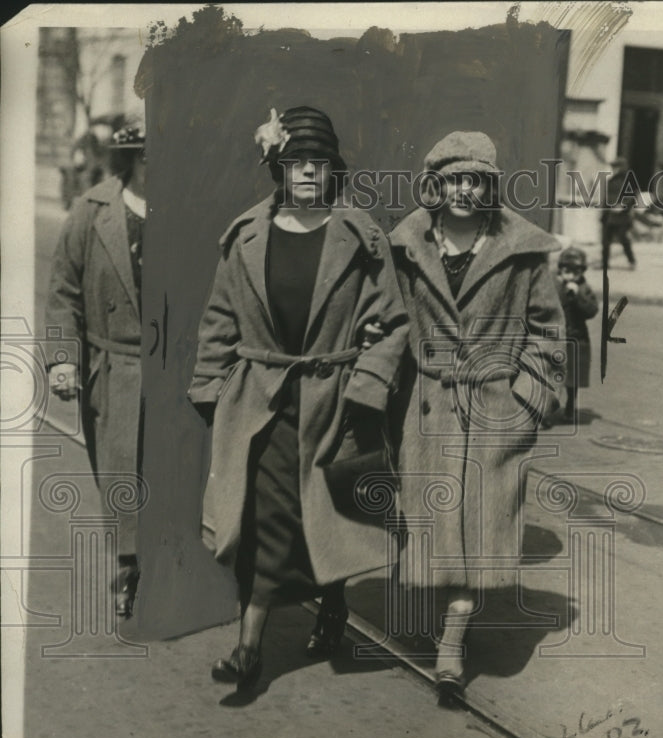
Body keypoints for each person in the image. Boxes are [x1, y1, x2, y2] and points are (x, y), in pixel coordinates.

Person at [188, 106, 409, 689]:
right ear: (277, 168)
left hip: (333, 399)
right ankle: (248, 648)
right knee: (264, 522)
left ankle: (332, 599)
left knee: (324, 512)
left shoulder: (361, 238)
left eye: (319, 164)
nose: (308, 174)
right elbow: (219, 318)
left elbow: (394, 323)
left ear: (333, 171)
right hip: (260, 403)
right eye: (295, 163)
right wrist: (211, 389)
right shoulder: (245, 237)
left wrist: (367, 384)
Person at [389, 131, 564, 703]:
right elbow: (387, 321)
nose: (464, 190)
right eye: (454, 178)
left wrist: (526, 402)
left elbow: (548, 334)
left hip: (494, 408)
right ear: (434, 186)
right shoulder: (406, 246)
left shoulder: (521, 251)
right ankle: (440, 622)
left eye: (476, 179)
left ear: (489, 186)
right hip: (427, 407)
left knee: (480, 535)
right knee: (436, 531)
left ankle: (452, 645)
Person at [47, 119, 148, 619]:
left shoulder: (187, 210)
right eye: (149, 157)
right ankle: (128, 568)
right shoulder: (92, 211)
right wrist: (64, 360)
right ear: (129, 159)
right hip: (113, 366)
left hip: (172, 368)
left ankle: (171, 564)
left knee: (173, 475)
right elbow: (64, 291)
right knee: (121, 475)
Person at [552, 247, 599, 422]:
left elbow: (591, 310)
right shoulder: (554, 286)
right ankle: (548, 408)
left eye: (576, 272)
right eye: (567, 271)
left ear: (582, 272)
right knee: (551, 375)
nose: (571, 276)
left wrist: (578, 295)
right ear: (560, 270)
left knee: (572, 377)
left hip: (576, 337)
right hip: (555, 337)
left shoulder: (584, 289)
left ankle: (571, 404)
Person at [600, 156, 638, 270]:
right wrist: (603, 212)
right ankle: (605, 263)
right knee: (605, 241)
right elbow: (606, 198)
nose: (614, 169)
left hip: (622, 216)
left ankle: (631, 260)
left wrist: (623, 206)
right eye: (613, 166)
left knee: (623, 239)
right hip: (609, 215)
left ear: (622, 168)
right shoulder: (610, 181)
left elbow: (632, 198)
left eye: (616, 166)